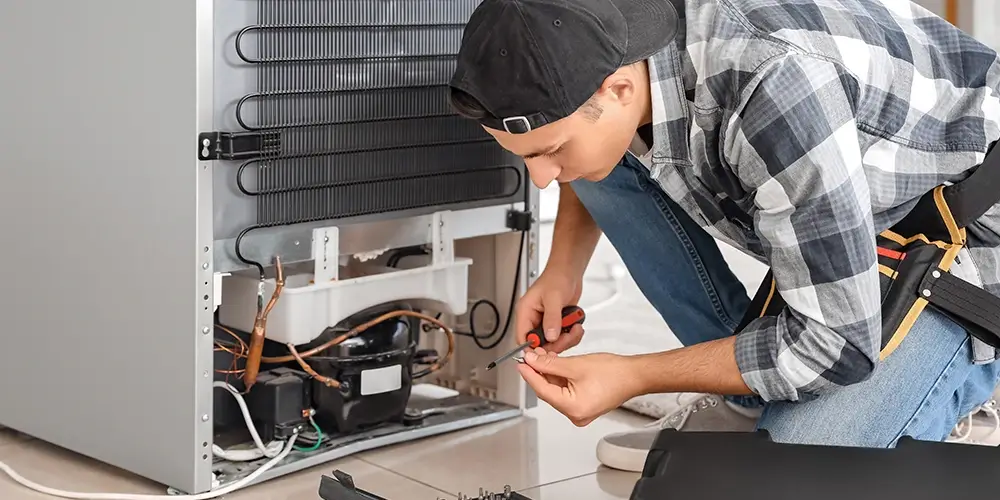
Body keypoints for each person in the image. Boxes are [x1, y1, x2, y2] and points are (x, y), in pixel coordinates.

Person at [448, 0, 1000, 473]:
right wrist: (561, 269)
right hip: (851, 204)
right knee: (597, 157)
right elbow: (590, 142)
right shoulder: (620, 40)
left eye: (548, 152)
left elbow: (836, 346)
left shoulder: (774, 85)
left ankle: (952, 387)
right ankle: (752, 390)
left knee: (792, 473)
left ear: (617, 88)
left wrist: (634, 375)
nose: (539, 179)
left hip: (967, 239)